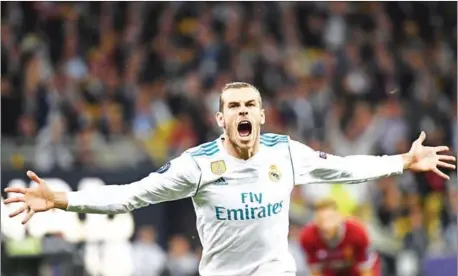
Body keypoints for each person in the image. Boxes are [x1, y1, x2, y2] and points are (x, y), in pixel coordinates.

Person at [4, 82, 455, 276]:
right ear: (221, 119)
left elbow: (344, 167)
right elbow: (130, 196)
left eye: (249, 105)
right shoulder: (196, 166)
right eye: (233, 106)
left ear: (261, 114)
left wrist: (401, 161)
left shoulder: (286, 153)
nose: (242, 112)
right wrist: (62, 201)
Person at [300, 198, 381, 276]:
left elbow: (365, 270)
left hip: (356, 270)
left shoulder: (357, 232)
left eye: (330, 218)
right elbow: (316, 271)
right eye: (322, 219)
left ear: (339, 217)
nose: (326, 225)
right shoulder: (308, 237)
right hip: (330, 271)